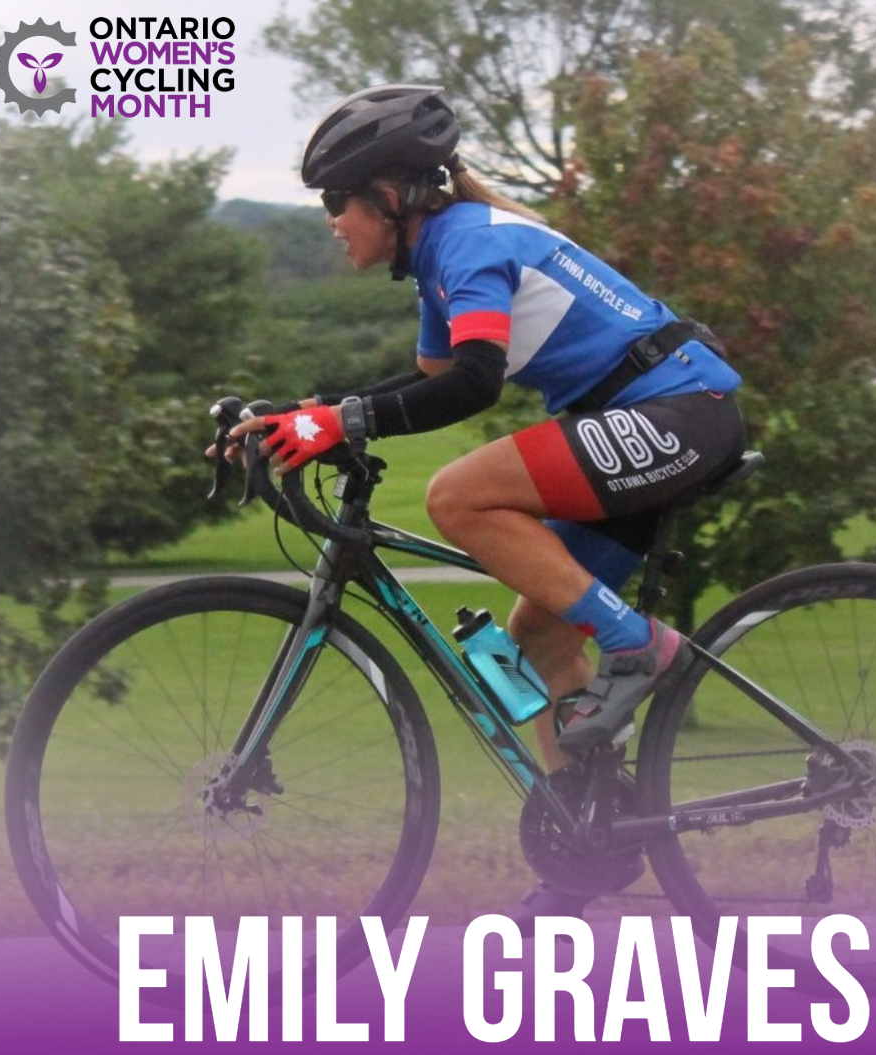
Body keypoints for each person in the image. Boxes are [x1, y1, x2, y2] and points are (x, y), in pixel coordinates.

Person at [228, 83, 747, 926]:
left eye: (337, 201)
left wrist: (333, 421)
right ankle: (584, 850)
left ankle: (639, 646)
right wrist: (303, 416)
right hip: (644, 419)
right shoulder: (438, 266)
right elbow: (424, 387)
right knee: (522, 648)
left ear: (392, 197)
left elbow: (475, 383)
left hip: (679, 408)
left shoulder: (466, 242)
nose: (331, 220)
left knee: (456, 495)